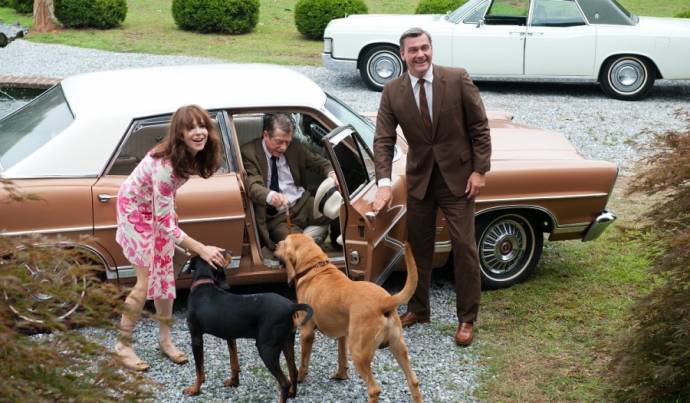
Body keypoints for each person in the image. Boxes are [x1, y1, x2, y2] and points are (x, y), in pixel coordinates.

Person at [372, 27, 492, 346]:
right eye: (413, 50)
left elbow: (479, 126)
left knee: (464, 248)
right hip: (420, 181)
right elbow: (383, 140)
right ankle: (419, 309)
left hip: (459, 180)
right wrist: (383, 183)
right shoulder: (392, 91)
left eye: (424, 47)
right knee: (418, 248)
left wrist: (480, 170)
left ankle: (466, 319)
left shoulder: (456, 79)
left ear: (431, 49)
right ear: (403, 55)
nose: (420, 54)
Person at [114, 105, 227, 371]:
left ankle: (165, 341)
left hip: (156, 209)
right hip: (134, 211)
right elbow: (163, 220)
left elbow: (165, 209)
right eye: (191, 128)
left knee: (165, 276)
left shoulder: (191, 155)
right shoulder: (166, 166)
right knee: (145, 282)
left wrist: (171, 215)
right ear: (180, 133)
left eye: (202, 126)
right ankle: (122, 345)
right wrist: (201, 248)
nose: (199, 132)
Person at [241, 113, 337, 253]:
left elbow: (320, 163)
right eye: (279, 142)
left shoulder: (295, 147)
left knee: (343, 211)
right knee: (296, 249)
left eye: (287, 142)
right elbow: (252, 186)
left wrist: (331, 174)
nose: (284, 147)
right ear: (266, 135)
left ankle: (338, 247)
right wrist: (271, 196)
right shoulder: (249, 153)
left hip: (303, 203)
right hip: (277, 217)